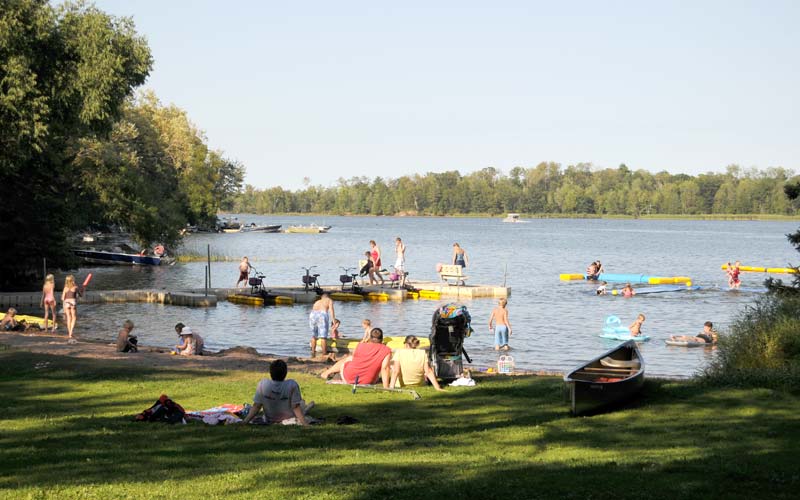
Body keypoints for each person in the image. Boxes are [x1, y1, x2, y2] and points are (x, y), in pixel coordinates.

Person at [241, 359, 313, 426]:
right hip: (289, 418)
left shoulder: (263, 384)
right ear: (285, 373)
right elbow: (296, 407)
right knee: (302, 403)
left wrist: (245, 421)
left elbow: (256, 406)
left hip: (270, 418)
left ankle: (308, 406)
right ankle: (308, 407)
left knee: (301, 403)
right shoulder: (292, 385)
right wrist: (305, 424)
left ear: (270, 372)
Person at [320, 327, 392, 387]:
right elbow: (385, 368)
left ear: (370, 337)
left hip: (349, 377)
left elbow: (354, 358)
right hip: (369, 380)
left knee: (349, 358)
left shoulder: (361, 345)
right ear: (382, 339)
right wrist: (386, 387)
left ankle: (327, 373)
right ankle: (328, 373)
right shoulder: (386, 350)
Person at [61, 275, 81, 339]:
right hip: (72, 302)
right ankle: (71, 332)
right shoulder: (75, 287)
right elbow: (80, 295)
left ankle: (69, 333)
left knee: (68, 318)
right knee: (74, 317)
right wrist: (82, 290)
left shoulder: (65, 288)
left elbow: (62, 298)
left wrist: (64, 306)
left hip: (66, 303)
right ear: (73, 280)